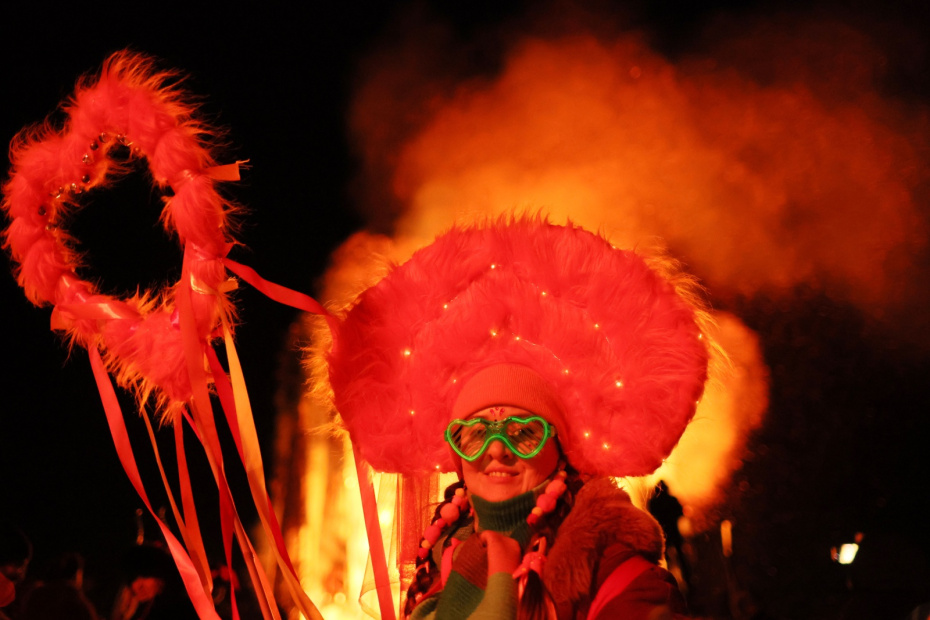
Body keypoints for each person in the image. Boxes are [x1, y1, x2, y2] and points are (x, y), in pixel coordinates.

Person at [325, 217, 712, 619]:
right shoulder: (441, 564)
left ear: (559, 447)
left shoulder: (620, 577)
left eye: (523, 432)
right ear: (455, 453)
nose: (496, 450)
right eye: (475, 434)